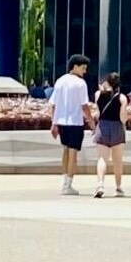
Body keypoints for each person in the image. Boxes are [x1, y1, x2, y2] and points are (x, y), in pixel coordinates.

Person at [48, 53, 91, 196]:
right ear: (75, 66)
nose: (84, 71)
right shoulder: (80, 83)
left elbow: (54, 104)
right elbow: (84, 105)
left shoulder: (60, 81)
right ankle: (68, 185)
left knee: (65, 151)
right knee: (73, 153)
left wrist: (53, 123)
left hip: (61, 122)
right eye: (83, 68)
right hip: (75, 122)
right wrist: (91, 122)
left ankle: (65, 182)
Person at [92, 72, 129, 198]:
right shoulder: (122, 98)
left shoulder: (98, 95)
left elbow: (97, 113)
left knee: (102, 158)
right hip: (117, 127)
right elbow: (123, 118)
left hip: (102, 126)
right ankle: (118, 188)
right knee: (117, 160)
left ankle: (100, 184)